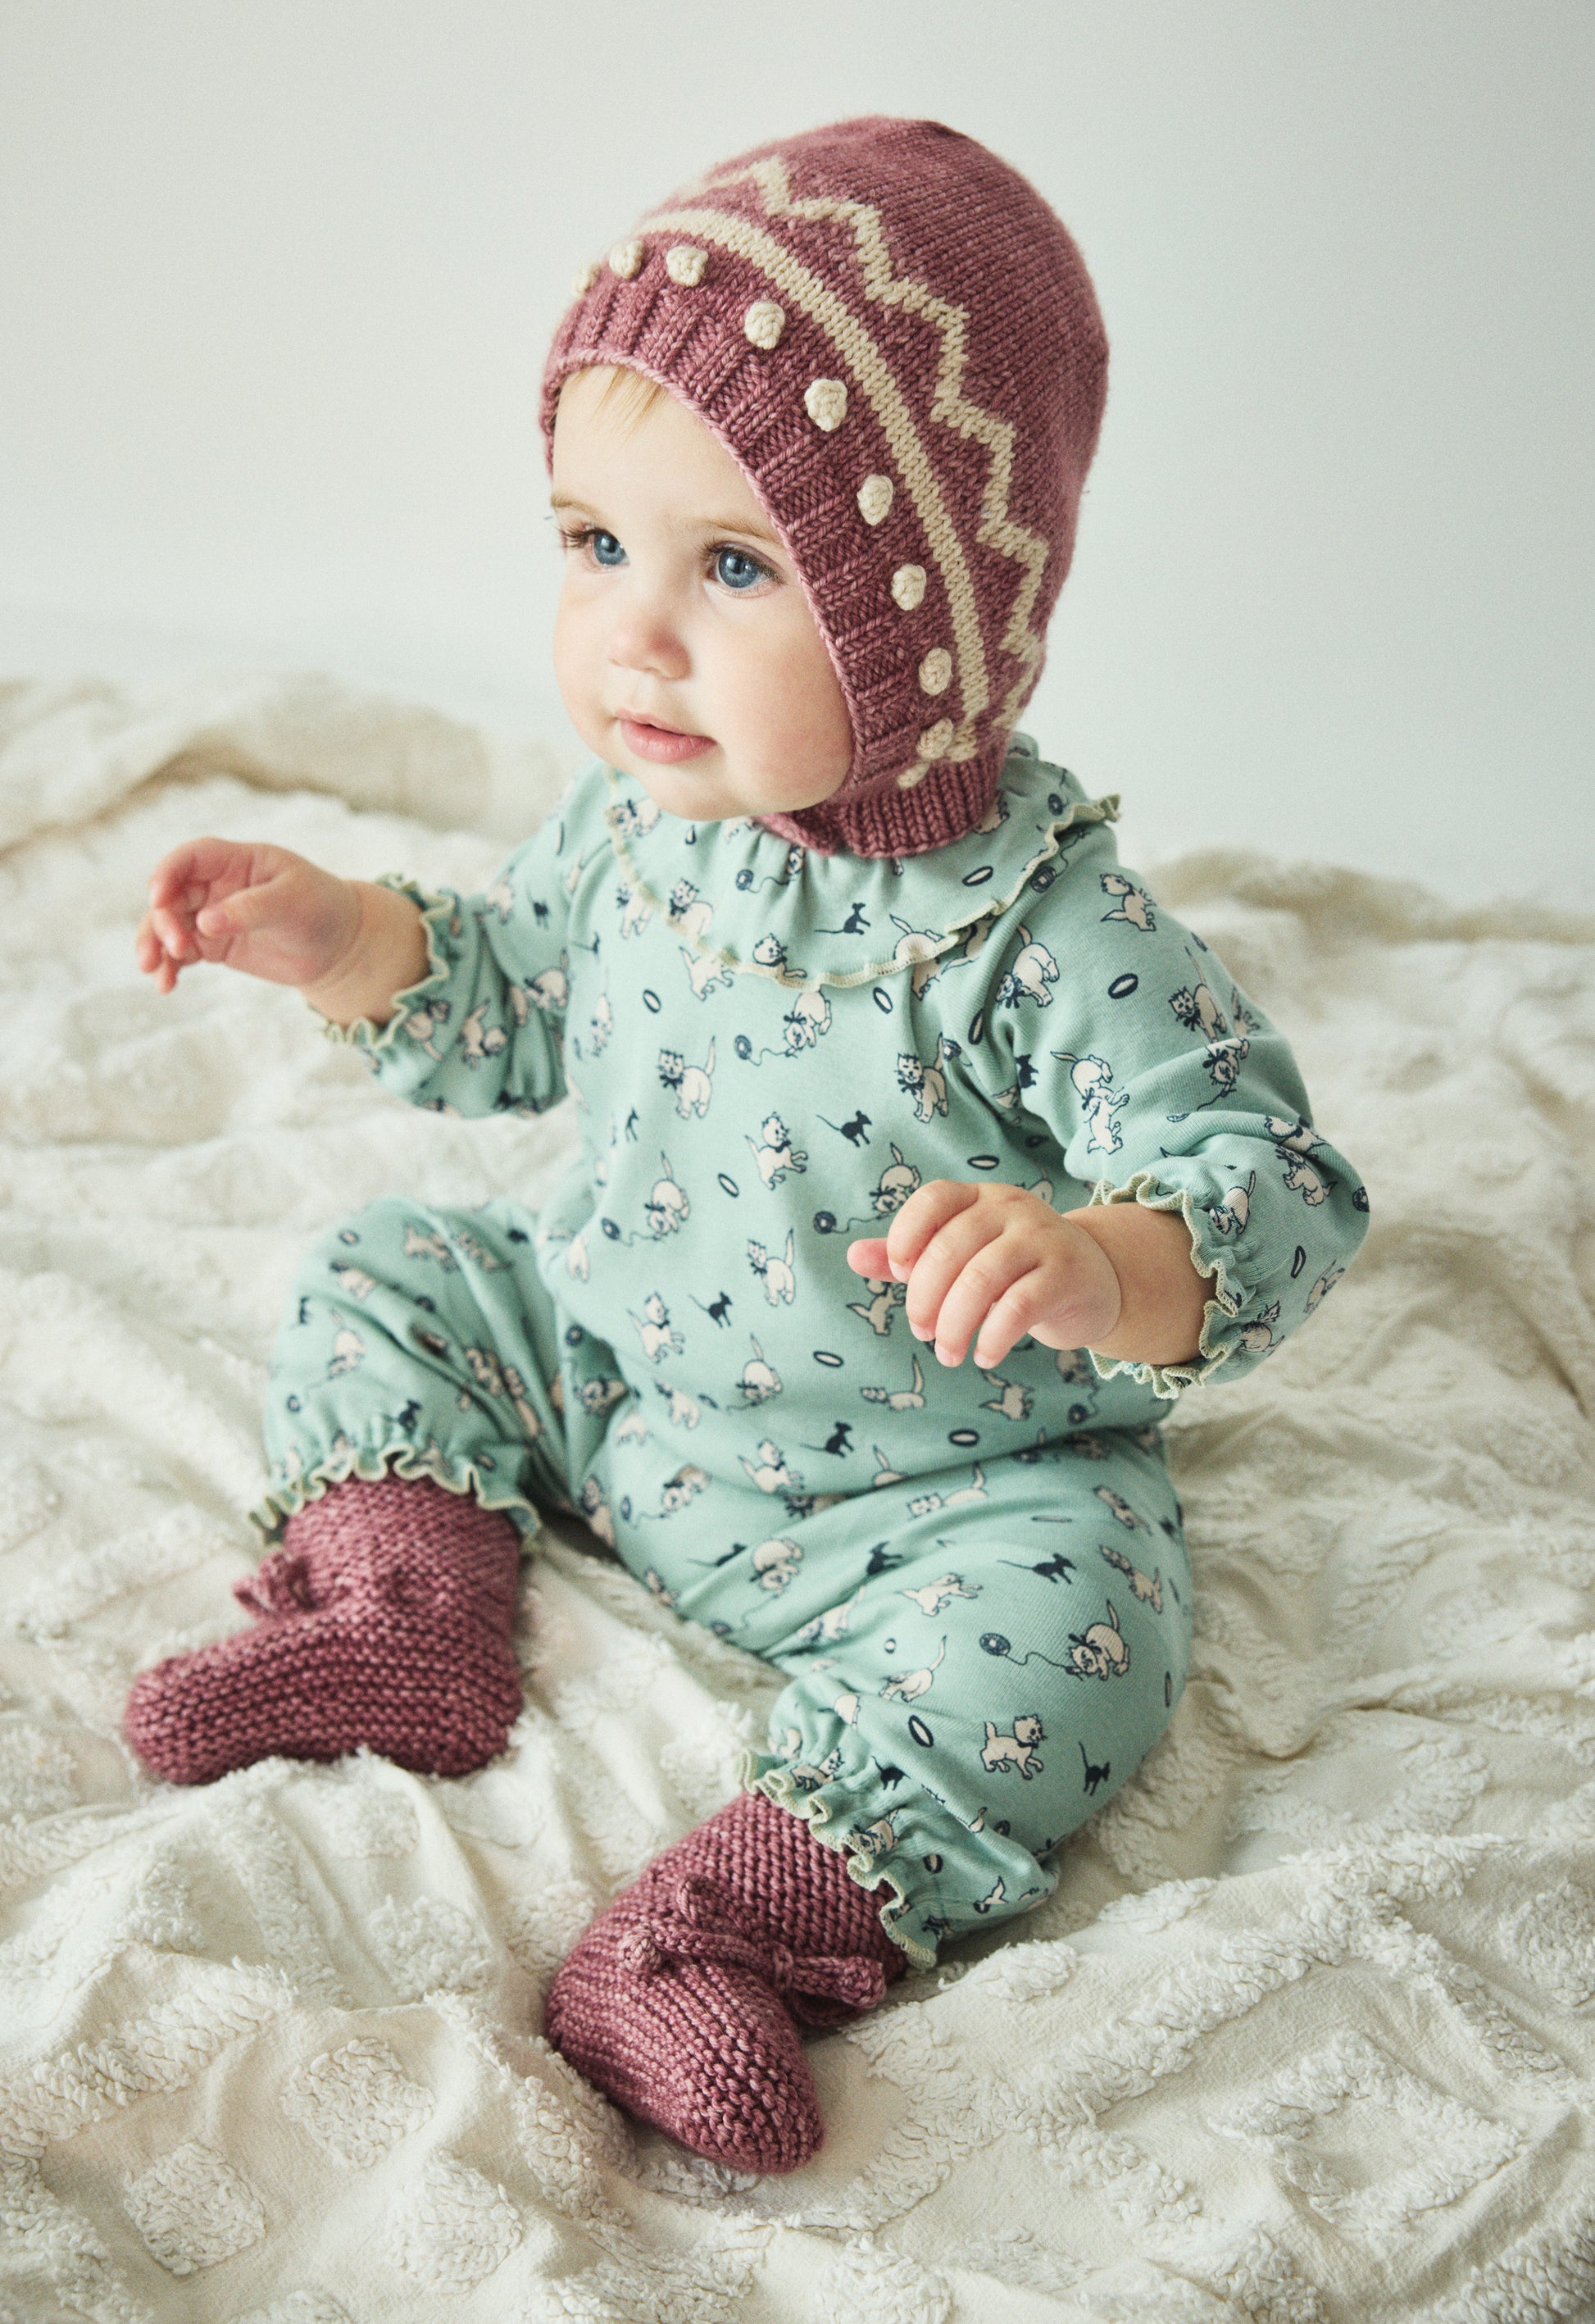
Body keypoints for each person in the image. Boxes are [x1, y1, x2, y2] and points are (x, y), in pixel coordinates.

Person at [124, 116, 1369, 2172]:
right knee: (392, 1270)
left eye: (730, 568)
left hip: (930, 1489)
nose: (633, 632)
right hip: (614, 1373)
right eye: (591, 543)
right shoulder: (644, 822)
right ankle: (411, 1609)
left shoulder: (1041, 930)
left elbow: (1274, 1181)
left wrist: (1104, 1260)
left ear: (929, 616)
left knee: (1090, 1629)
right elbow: (514, 995)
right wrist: (343, 939)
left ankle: (718, 1930)